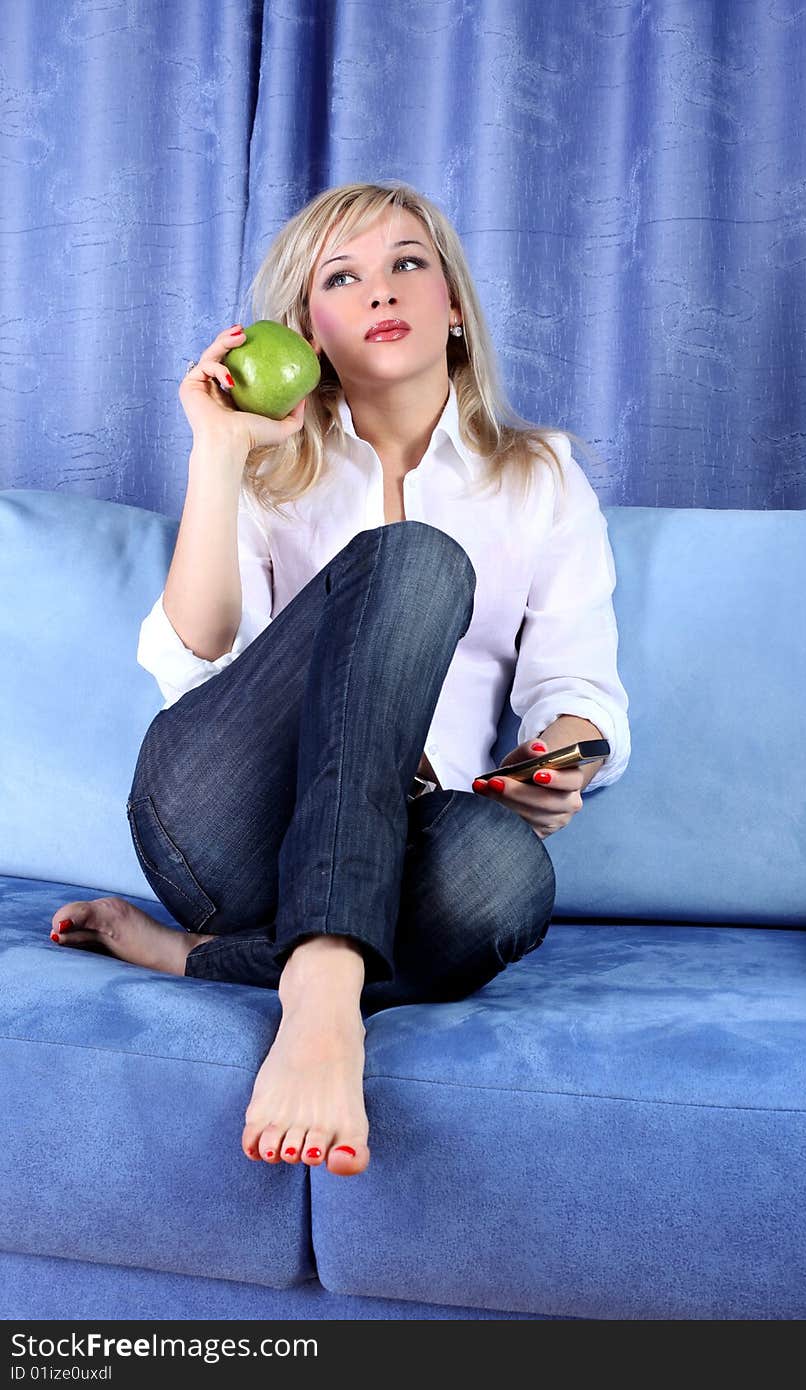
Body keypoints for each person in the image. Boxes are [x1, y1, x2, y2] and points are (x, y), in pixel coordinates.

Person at [49, 180, 630, 1178]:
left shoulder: (542, 477)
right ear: (307, 329)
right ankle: (322, 989)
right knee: (417, 558)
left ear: (453, 304)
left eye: (408, 262)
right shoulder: (273, 471)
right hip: (224, 820)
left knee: (505, 876)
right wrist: (219, 453)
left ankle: (197, 957)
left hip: (410, 839)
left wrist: (562, 755)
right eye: (342, 276)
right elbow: (193, 662)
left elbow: (578, 687)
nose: (381, 291)